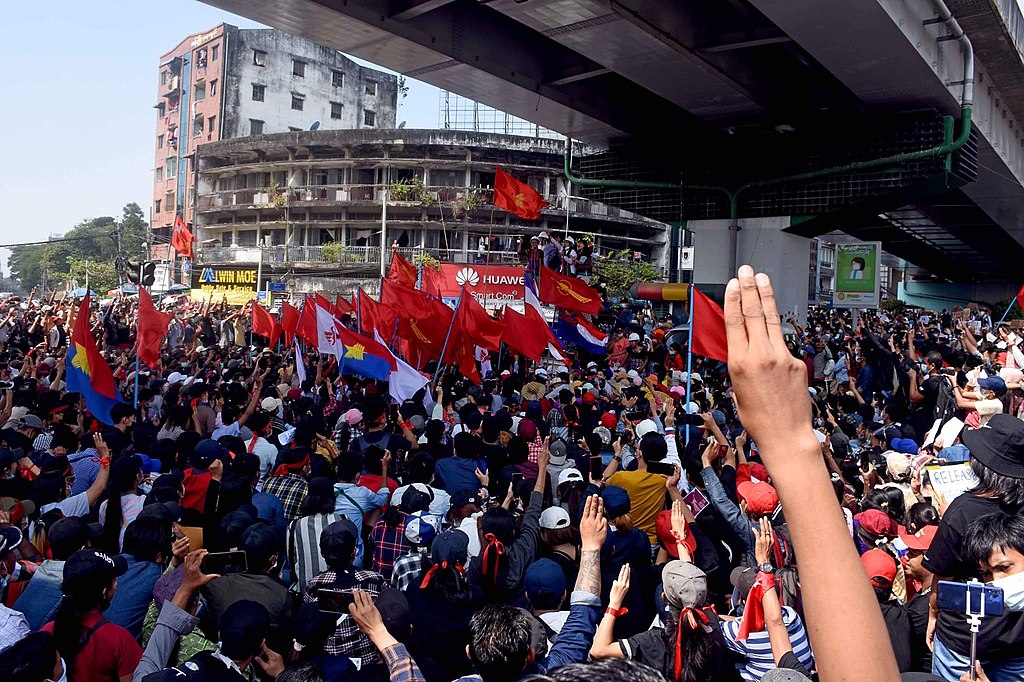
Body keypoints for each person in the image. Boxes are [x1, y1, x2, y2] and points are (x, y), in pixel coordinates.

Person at [458, 494, 606, 682]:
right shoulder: (550, 672)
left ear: (469, 653)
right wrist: (591, 547)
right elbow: (583, 612)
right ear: (530, 655)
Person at [924, 414, 1024, 681]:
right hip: (1016, 644)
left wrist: (933, 614)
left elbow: (942, 579)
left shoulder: (960, 511)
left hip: (963, 641)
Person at [41, 548, 143, 682]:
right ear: (104, 592)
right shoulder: (119, 640)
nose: (116, 585)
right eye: (113, 580)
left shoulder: (46, 633)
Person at [302, 519, 386, 667]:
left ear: (322, 553)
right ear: (354, 552)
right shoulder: (375, 580)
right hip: (369, 661)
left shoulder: (314, 586)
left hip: (330, 665)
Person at [288, 476, 347, 593]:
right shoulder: (342, 520)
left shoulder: (295, 525)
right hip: (339, 591)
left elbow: (292, 560)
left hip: (304, 591)